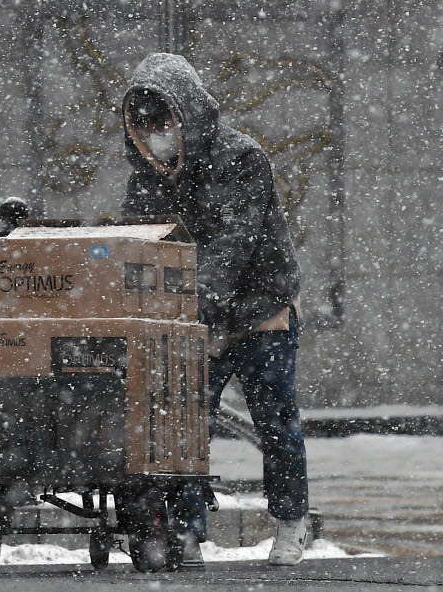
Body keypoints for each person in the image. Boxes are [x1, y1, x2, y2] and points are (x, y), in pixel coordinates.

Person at [120, 54, 307, 567]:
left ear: (188, 115)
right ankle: (186, 529)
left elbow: (234, 244)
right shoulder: (147, 178)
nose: (157, 136)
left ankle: (291, 521)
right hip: (196, 318)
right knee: (183, 425)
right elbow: (138, 242)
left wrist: (200, 301)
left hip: (261, 311)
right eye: (145, 126)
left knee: (275, 421)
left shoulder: (242, 159)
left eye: (164, 122)